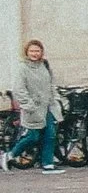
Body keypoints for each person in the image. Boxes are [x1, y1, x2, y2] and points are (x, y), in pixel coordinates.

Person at [8, 40, 64, 173]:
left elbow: (51, 84)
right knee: (33, 136)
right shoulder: (23, 68)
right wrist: (28, 104)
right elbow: (19, 89)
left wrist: (55, 98)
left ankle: (48, 164)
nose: (35, 54)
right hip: (32, 108)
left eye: (37, 51)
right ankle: (10, 155)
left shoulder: (45, 65)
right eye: (32, 51)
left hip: (48, 106)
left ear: (41, 52)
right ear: (27, 52)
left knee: (50, 135)